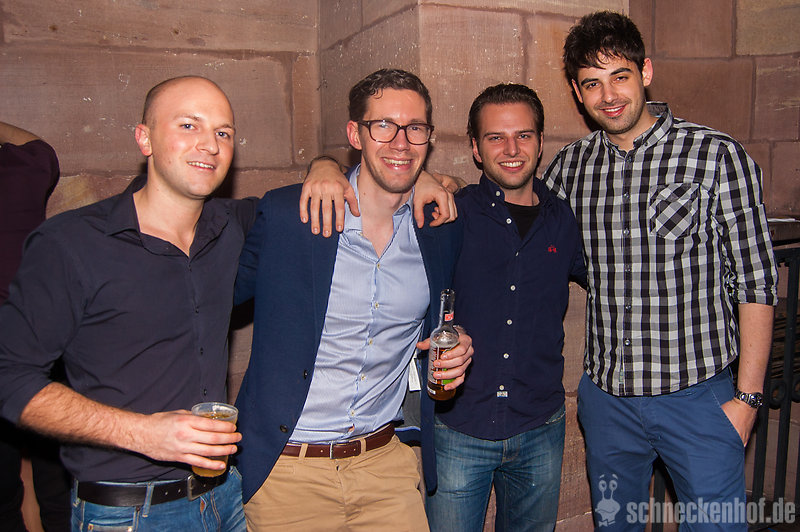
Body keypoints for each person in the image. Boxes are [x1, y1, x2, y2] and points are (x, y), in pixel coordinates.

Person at [542, 11, 778, 530]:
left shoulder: (715, 156)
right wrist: (437, 184)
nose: (608, 96)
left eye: (619, 76)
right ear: (577, 92)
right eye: (592, 83)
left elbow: (757, 282)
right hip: (607, 402)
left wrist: (747, 400)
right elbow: (517, 224)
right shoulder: (569, 168)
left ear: (645, 71)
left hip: (698, 397)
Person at [0, 76, 253, 531]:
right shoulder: (70, 244)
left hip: (226, 499)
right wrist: (145, 434)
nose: (210, 145)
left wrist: (325, 167)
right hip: (128, 514)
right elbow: (8, 378)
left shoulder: (231, 225)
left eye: (223, 132)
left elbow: (307, 200)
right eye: (188, 125)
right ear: (144, 139)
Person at [233, 68, 473, 531]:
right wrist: (321, 163)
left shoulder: (440, 227)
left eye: (415, 128)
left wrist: (456, 337)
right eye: (383, 125)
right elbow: (209, 302)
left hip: (385, 466)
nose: (401, 142)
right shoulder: (290, 216)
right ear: (355, 134)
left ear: (429, 137)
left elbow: (446, 316)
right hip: (287, 473)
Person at [425, 83, 586, 532]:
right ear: (476, 149)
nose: (512, 150)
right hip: (460, 428)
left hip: (540, 426)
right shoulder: (450, 215)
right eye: (496, 137)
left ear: (540, 142)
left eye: (523, 135)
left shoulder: (563, 220)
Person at [0, 122, 70, 531]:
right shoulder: (21, 170)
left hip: (35, 335)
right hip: (42, 333)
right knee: (58, 477)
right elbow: (37, 144)